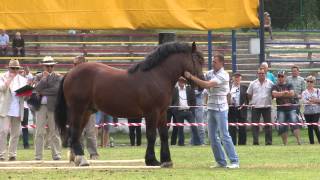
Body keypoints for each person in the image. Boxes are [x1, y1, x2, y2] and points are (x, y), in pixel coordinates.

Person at [184, 54, 239, 168]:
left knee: (224, 135)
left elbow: (206, 84)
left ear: (221, 63)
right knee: (212, 137)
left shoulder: (224, 75)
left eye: (215, 61)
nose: (212, 63)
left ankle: (234, 162)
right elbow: (200, 77)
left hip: (221, 109)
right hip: (211, 108)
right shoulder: (209, 73)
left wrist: (191, 77)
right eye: (212, 61)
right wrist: (185, 73)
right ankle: (221, 162)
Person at [34, 56, 62, 160]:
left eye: (51, 66)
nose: (49, 68)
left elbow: (56, 90)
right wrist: (44, 79)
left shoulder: (58, 77)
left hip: (52, 106)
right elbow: (36, 89)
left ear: (54, 66)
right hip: (40, 106)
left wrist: (42, 91)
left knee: (54, 131)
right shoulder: (38, 76)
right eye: (47, 66)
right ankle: (38, 155)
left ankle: (56, 154)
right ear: (43, 66)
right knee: (39, 131)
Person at [0, 59, 27, 161]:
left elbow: (25, 97)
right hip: (5, 109)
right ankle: (1, 155)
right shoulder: (2, 76)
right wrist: (9, 80)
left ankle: (12, 154)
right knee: (3, 132)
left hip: (17, 109)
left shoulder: (22, 79)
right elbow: (1, 89)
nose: (15, 70)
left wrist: (27, 92)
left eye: (17, 68)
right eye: (13, 68)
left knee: (15, 133)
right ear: (9, 68)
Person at [73, 55, 99, 159]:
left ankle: (93, 153)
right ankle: (78, 153)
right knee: (77, 132)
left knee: (90, 132)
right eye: (74, 64)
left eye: (76, 64)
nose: (74, 66)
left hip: (89, 109)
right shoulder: (72, 77)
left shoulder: (91, 77)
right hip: (76, 110)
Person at [272, 71, 301, 145]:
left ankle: (299, 142)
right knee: (282, 127)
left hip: (291, 108)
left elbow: (292, 94)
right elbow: (274, 95)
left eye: (282, 76)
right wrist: (285, 93)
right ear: (277, 77)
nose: (280, 78)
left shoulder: (289, 84)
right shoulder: (275, 86)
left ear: (285, 77)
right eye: (279, 76)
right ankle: (285, 144)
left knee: (295, 124)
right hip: (280, 109)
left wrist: (280, 94)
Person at [247, 68, 274, 145]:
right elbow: (249, 94)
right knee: (255, 125)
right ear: (257, 74)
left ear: (265, 74)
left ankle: (268, 142)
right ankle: (255, 142)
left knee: (268, 125)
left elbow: (273, 94)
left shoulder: (270, 83)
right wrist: (253, 101)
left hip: (267, 106)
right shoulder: (253, 83)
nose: (261, 75)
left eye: (263, 73)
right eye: (260, 73)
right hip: (255, 107)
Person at [171, 77, 201, 146]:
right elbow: (171, 101)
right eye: (180, 81)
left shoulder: (190, 89)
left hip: (188, 112)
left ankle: (197, 143)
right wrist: (174, 110)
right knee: (180, 129)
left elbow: (193, 101)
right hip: (179, 112)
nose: (181, 82)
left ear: (185, 82)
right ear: (178, 81)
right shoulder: (174, 90)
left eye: (183, 81)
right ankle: (181, 144)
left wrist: (191, 110)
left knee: (194, 126)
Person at [227, 72, 249, 145]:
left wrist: (245, 104)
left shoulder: (245, 87)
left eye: (238, 77)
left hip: (242, 109)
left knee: (242, 127)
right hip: (231, 109)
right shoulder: (228, 87)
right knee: (231, 128)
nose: (237, 78)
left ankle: (242, 144)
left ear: (241, 78)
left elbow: (248, 99)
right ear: (232, 78)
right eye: (235, 77)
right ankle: (232, 143)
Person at [301, 76, 320, 144]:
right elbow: (304, 101)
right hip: (307, 112)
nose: (309, 83)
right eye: (308, 81)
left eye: (311, 81)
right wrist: (314, 101)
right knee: (310, 127)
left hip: (316, 111)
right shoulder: (304, 92)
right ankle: (311, 143)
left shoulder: (318, 90)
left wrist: (312, 100)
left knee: (315, 126)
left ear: (313, 83)